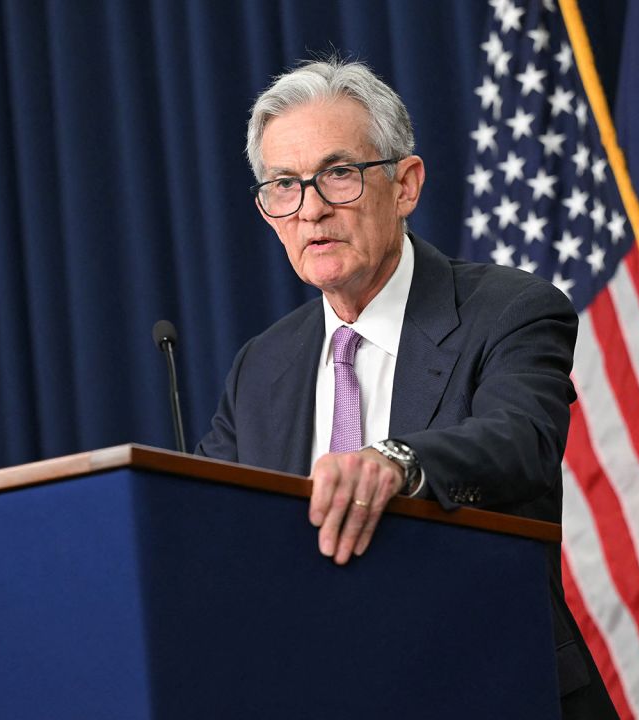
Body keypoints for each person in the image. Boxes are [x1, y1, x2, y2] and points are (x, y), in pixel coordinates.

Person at [196, 57, 617, 717]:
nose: (311, 210)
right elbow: (209, 528)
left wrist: (397, 463)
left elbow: (522, 440)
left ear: (406, 184)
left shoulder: (510, 310)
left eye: (338, 174)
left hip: (492, 691)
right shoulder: (262, 367)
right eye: (284, 184)